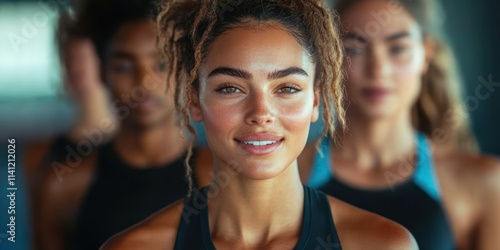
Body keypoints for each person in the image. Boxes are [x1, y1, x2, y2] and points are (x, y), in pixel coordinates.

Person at [102, 0, 419, 249]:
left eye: (287, 88)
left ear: (315, 100)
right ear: (194, 101)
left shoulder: (383, 245)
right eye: (231, 88)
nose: (261, 113)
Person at [298, 0, 500, 249]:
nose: (378, 69)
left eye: (397, 48)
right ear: (331, 58)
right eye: (354, 48)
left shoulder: (483, 183)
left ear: (425, 55)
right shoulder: (289, 174)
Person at [32, 0, 212, 249]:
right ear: (102, 73)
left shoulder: (218, 176)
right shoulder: (63, 186)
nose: (143, 81)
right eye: (124, 66)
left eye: (161, 64)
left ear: (184, 71)